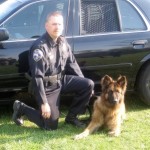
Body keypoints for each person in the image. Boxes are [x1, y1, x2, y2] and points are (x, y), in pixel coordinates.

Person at [12, 11, 94, 130]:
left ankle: (71, 117)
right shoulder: (40, 47)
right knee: (50, 125)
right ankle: (21, 108)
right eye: (54, 24)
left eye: (60, 24)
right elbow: (37, 78)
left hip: (61, 80)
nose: (57, 27)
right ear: (46, 26)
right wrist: (44, 103)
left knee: (88, 84)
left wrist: (83, 81)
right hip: (47, 86)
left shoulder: (63, 42)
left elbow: (72, 63)